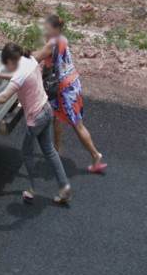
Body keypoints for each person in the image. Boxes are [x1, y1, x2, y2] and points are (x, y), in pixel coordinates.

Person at [0, 43, 71, 203]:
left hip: (36, 118)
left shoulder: (19, 74)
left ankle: (33, 189)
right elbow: (18, 78)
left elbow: (4, 97)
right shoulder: (30, 60)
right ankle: (65, 191)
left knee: (26, 151)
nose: (7, 67)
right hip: (46, 110)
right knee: (50, 151)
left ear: (11, 60)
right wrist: (0, 74)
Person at [34, 15, 107, 173]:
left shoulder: (52, 44)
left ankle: (96, 155)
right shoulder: (61, 39)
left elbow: (35, 57)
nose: (44, 30)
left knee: (77, 125)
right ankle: (57, 150)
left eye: (47, 28)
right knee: (55, 116)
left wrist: (17, 57)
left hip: (66, 90)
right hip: (66, 85)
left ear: (56, 29)